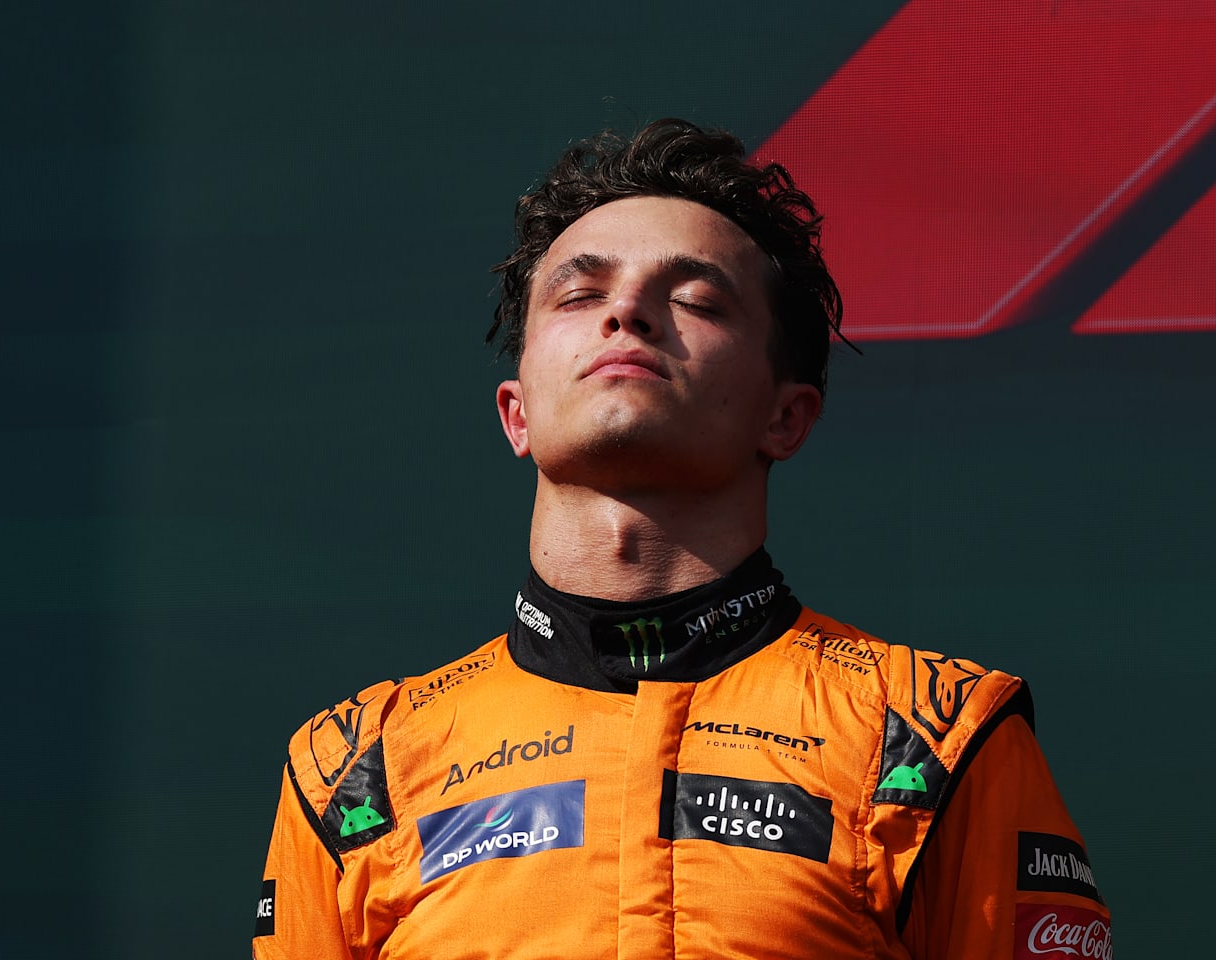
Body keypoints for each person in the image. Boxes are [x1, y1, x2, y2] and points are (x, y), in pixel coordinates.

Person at [253, 118, 1111, 959]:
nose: (627, 311)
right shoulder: (354, 767)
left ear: (787, 415)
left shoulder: (936, 734)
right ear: (517, 415)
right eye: (581, 295)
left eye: (696, 299)